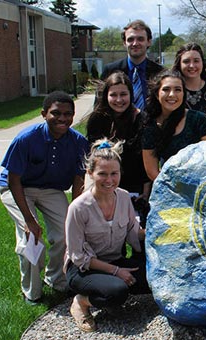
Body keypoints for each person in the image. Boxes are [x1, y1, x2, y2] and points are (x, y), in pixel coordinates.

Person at [0, 91, 89, 304]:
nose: (62, 118)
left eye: (68, 114)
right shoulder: (26, 139)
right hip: (16, 188)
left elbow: (79, 178)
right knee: (32, 237)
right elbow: (14, 181)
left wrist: (72, 212)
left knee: (65, 234)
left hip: (51, 189)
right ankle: (32, 291)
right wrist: (30, 220)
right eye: (56, 113)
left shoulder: (78, 142)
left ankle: (56, 279)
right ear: (43, 114)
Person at [65, 139, 149, 332]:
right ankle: (81, 302)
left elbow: (133, 233)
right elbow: (78, 257)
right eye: (102, 174)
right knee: (117, 292)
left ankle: (114, 283)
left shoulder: (124, 197)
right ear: (90, 173)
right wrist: (116, 271)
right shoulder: (78, 208)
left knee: (152, 279)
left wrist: (157, 233)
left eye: (114, 173)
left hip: (115, 260)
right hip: (83, 269)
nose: (109, 180)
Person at [86, 71, 151, 208]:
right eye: (113, 95)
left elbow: (146, 160)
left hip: (134, 187)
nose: (119, 100)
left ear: (131, 95)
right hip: (104, 185)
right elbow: (92, 159)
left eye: (123, 94)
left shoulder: (142, 120)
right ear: (106, 96)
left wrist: (146, 192)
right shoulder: (97, 120)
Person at [142, 70, 206, 181]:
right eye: (166, 89)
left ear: (183, 94)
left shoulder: (198, 120)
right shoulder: (150, 127)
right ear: (157, 94)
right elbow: (152, 172)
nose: (172, 95)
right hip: (168, 186)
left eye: (178, 90)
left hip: (201, 183)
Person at [101, 20, 164, 110]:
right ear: (124, 43)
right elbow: (100, 106)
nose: (135, 43)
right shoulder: (110, 70)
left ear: (149, 42)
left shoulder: (160, 73)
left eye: (140, 39)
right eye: (130, 39)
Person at [172, 42, 206, 121]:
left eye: (196, 61)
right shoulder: (172, 92)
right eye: (186, 61)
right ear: (179, 64)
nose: (192, 66)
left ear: (202, 63)